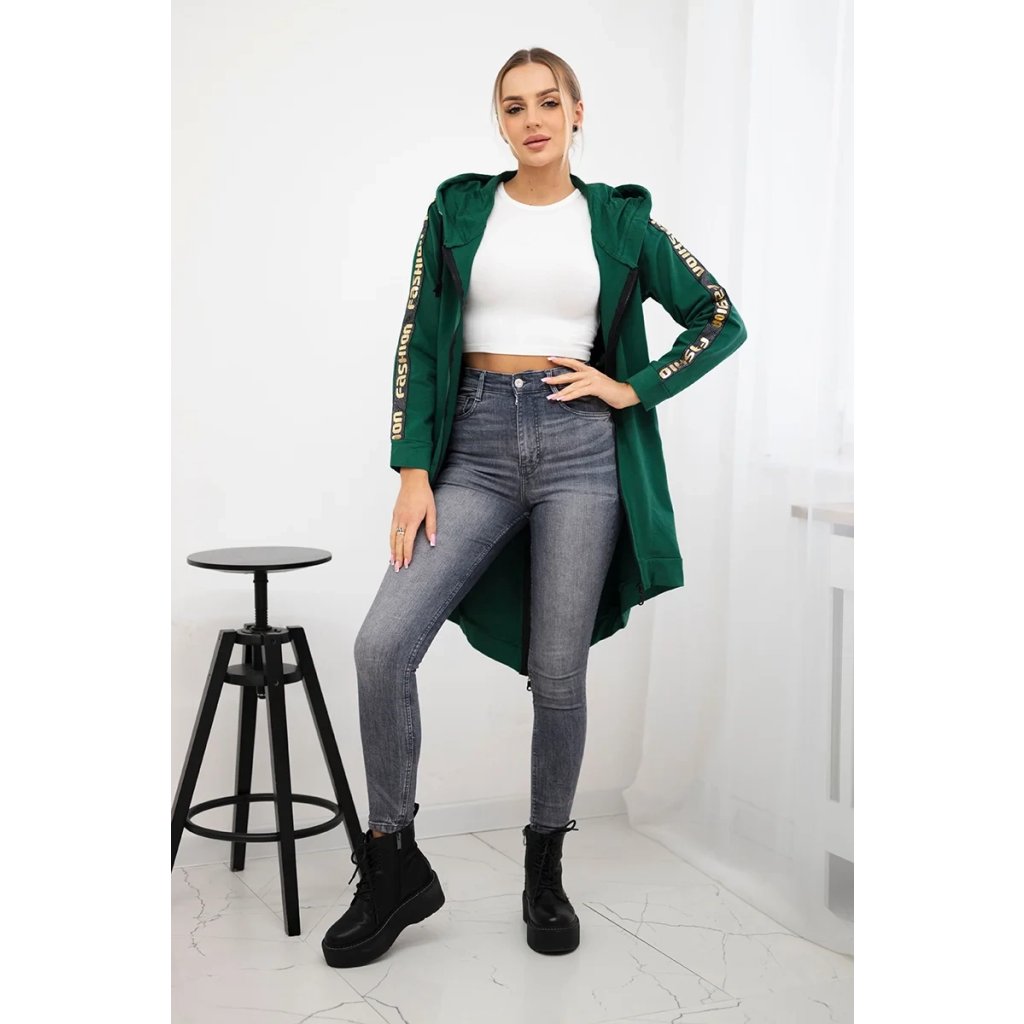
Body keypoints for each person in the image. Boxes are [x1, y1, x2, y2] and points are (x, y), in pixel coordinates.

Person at [321, 48, 748, 969]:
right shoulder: (458, 210)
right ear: (501, 122)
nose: (532, 120)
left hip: (580, 451)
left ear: (577, 111)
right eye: (513, 107)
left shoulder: (621, 221)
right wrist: (412, 467)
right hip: (471, 447)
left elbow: (719, 316)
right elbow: (418, 337)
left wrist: (632, 387)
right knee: (382, 645)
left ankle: (544, 868)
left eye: (548, 102)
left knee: (558, 674)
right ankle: (393, 864)